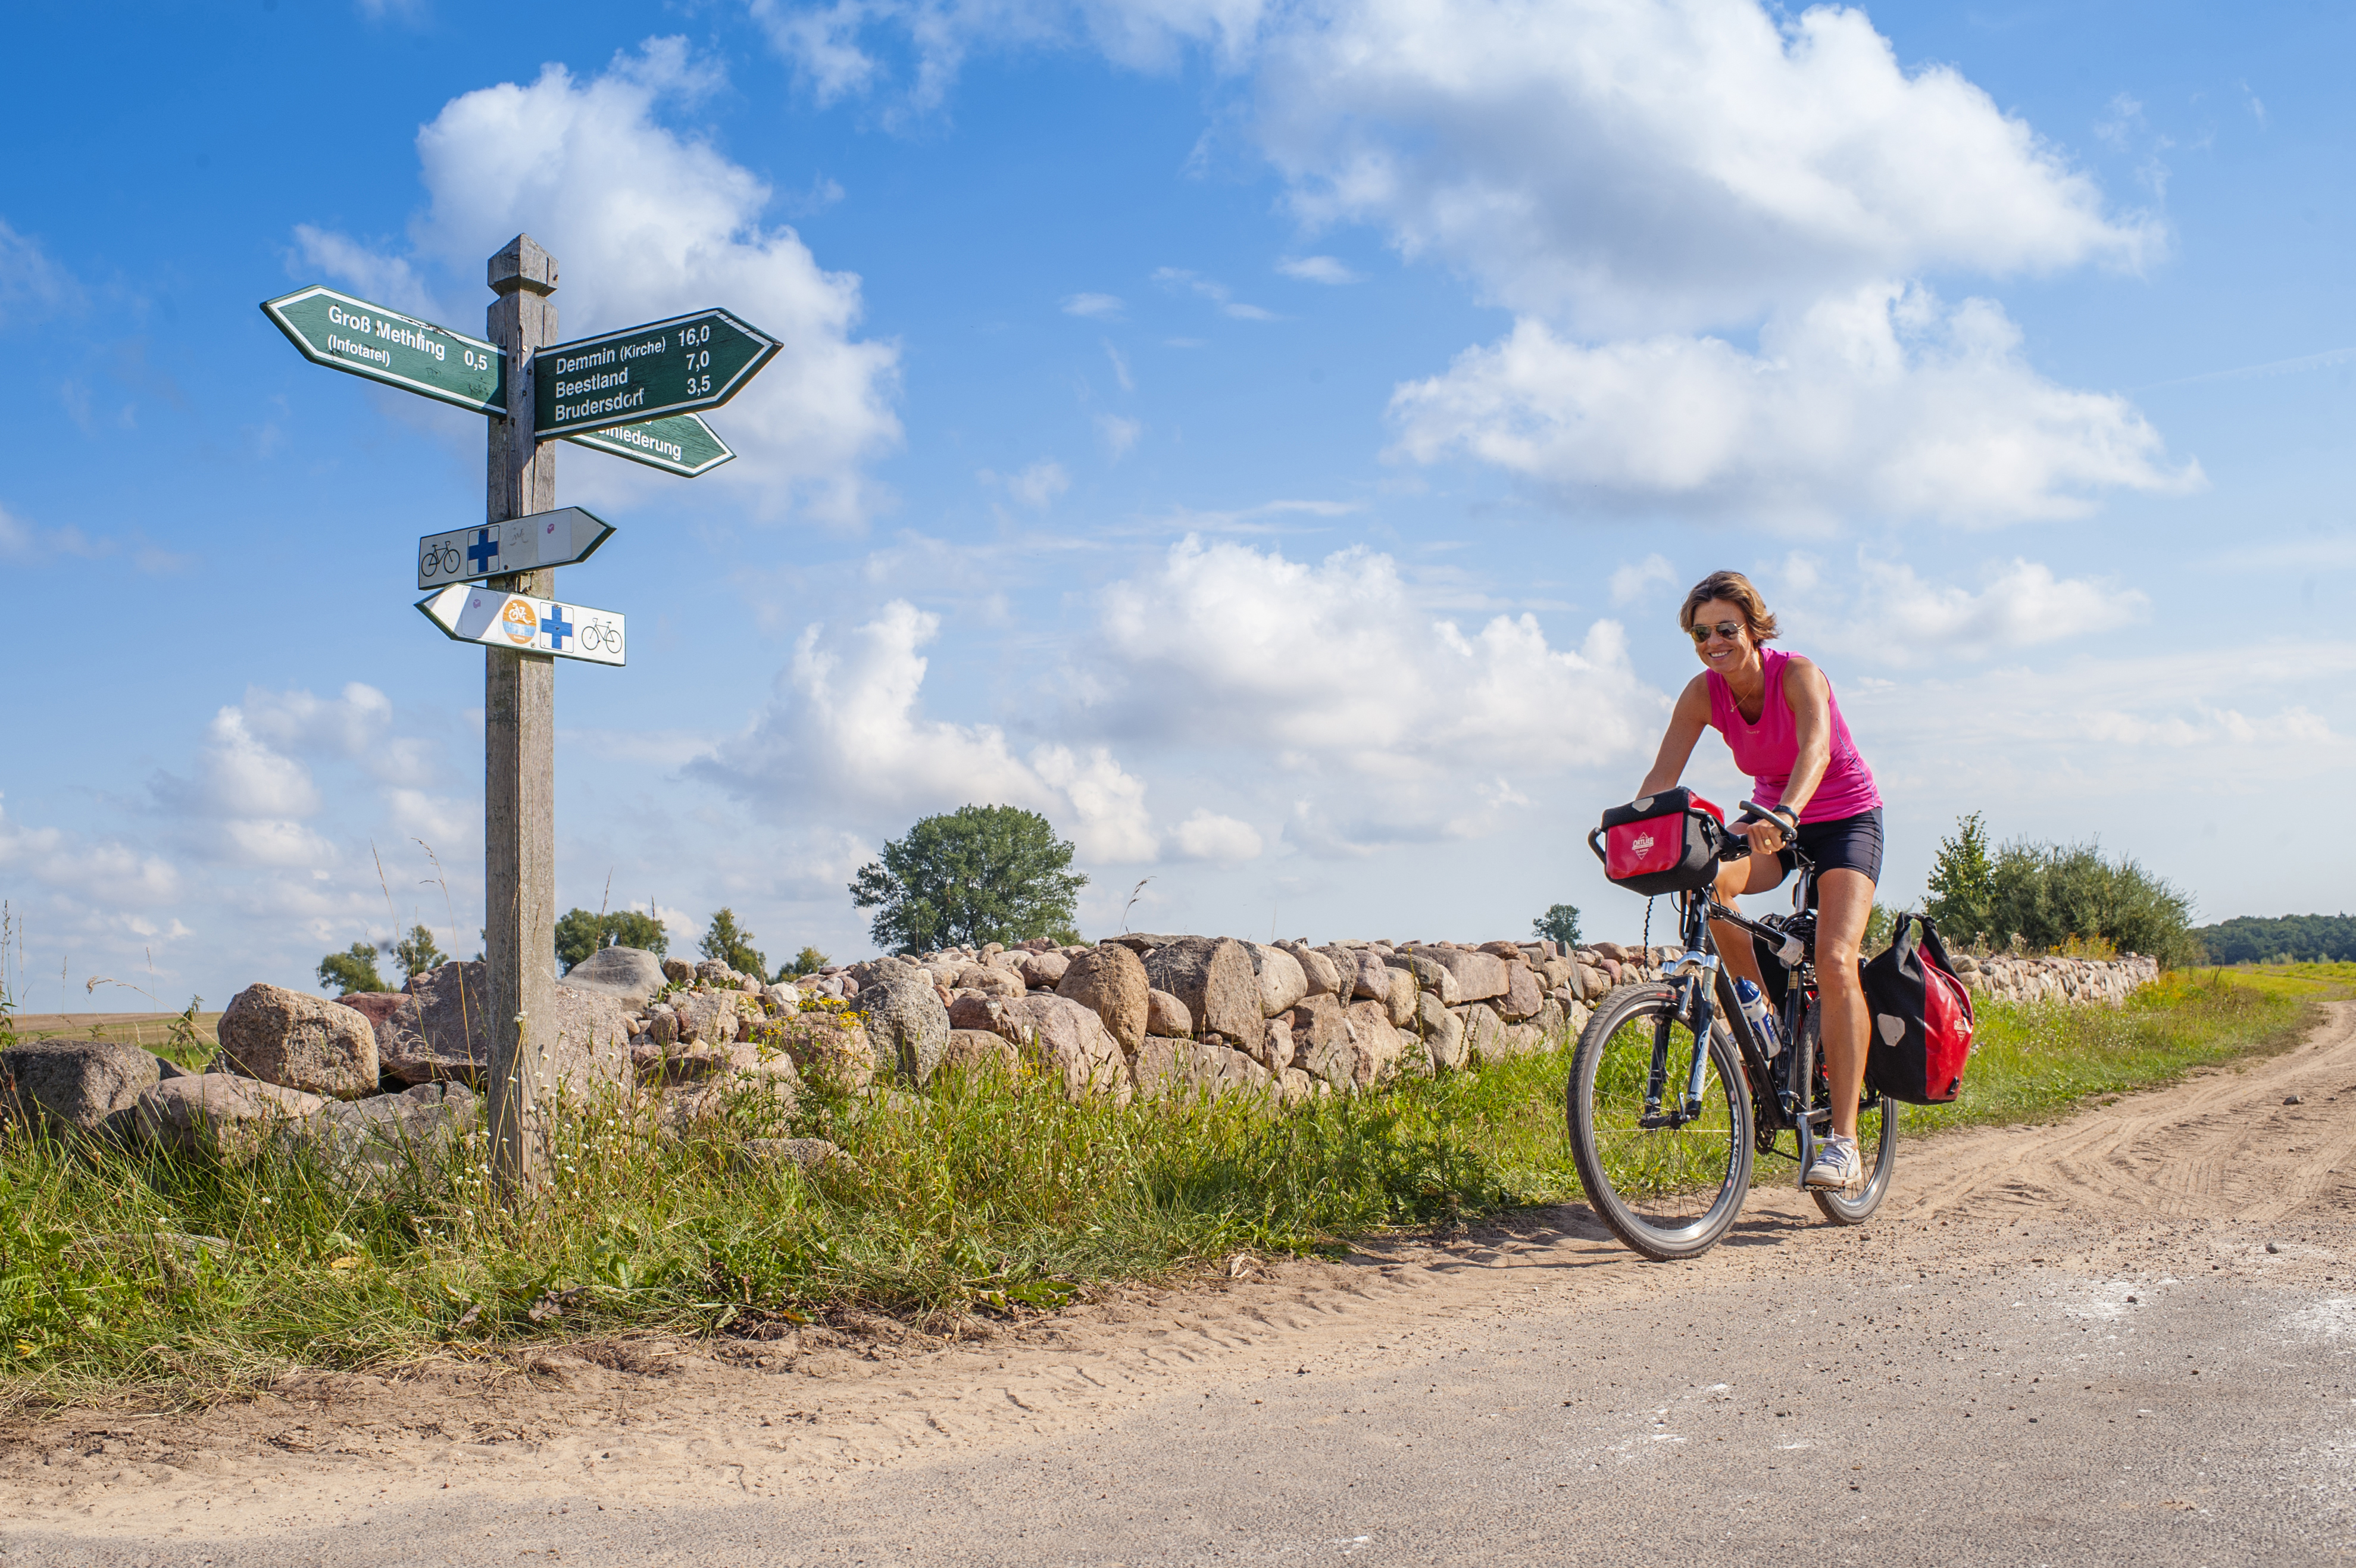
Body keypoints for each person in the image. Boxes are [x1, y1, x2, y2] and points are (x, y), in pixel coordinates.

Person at [1632, 570, 1883, 1189]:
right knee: (1712, 885)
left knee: (1833, 957)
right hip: (1772, 820)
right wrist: (1630, 837)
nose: (1712, 642)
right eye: (1700, 633)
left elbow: (1815, 752)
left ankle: (1844, 1143)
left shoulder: (1797, 674)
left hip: (1842, 818)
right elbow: (1659, 783)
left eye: (1725, 629)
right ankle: (1760, 1012)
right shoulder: (1702, 694)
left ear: (1752, 629)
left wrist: (1789, 813)